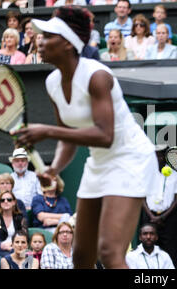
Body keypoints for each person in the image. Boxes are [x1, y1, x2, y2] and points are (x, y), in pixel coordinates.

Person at [16, 5, 161, 269]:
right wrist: (54, 168)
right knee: (81, 256)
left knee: (109, 252)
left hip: (131, 159)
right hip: (99, 163)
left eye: (49, 37)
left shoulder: (97, 76)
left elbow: (105, 135)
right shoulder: (52, 83)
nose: (41, 41)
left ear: (69, 44)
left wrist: (45, 130)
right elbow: (69, 136)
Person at [141, 145, 177, 266]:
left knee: (170, 249)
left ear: (165, 157)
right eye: (156, 155)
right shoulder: (147, 174)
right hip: (149, 217)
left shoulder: (175, 174)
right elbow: (141, 198)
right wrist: (152, 216)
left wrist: (163, 217)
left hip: (168, 218)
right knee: (148, 247)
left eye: (161, 155)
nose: (158, 158)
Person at [0, 190, 28, 257]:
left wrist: (14, 246)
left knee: (28, 258)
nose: (5, 202)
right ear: (0, 203)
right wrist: (1, 245)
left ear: (14, 202)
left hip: (18, 248)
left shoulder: (20, 217)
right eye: (2, 200)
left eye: (9, 200)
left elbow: (25, 237)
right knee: (8, 258)